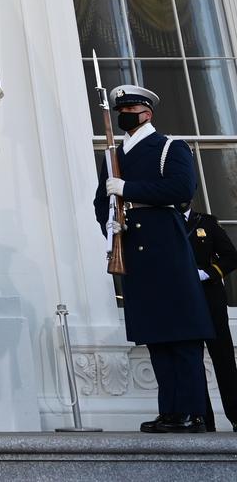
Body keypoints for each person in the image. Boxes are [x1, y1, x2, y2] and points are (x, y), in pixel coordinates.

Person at [95, 84, 213, 433]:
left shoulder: (169, 147)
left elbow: (180, 187)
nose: (123, 116)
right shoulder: (115, 155)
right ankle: (171, 412)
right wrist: (110, 223)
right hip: (134, 249)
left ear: (146, 112)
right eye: (120, 111)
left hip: (166, 248)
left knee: (183, 334)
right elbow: (101, 200)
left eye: (129, 110)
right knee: (158, 336)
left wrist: (128, 190)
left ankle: (193, 411)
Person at [181, 202, 237, 431]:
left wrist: (207, 273)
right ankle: (202, 419)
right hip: (182, 301)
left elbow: (231, 256)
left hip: (210, 298)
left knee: (223, 358)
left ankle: (235, 414)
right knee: (191, 361)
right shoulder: (166, 223)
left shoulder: (207, 222)